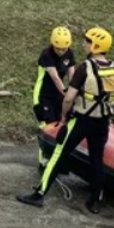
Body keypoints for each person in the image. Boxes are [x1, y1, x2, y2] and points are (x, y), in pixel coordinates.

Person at [18, 27, 114, 214]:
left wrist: (64, 117)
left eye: (88, 41)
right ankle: (95, 201)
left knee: (58, 154)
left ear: (96, 46)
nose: (84, 43)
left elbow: (68, 98)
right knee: (97, 161)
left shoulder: (85, 68)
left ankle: (39, 194)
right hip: (102, 122)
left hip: (82, 120)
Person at [32, 26, 76, 167]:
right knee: (47, 126)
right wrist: (67, 93)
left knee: (60, 124)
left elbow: (72, 75)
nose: (61, 52)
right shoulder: (47, 54)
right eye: (58, 49)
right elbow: (55, 78)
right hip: (43, 95)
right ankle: (43, 160)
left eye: (64, 49)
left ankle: (57, 159)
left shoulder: (69, 53)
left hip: (58, 96)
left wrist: (74, 89)